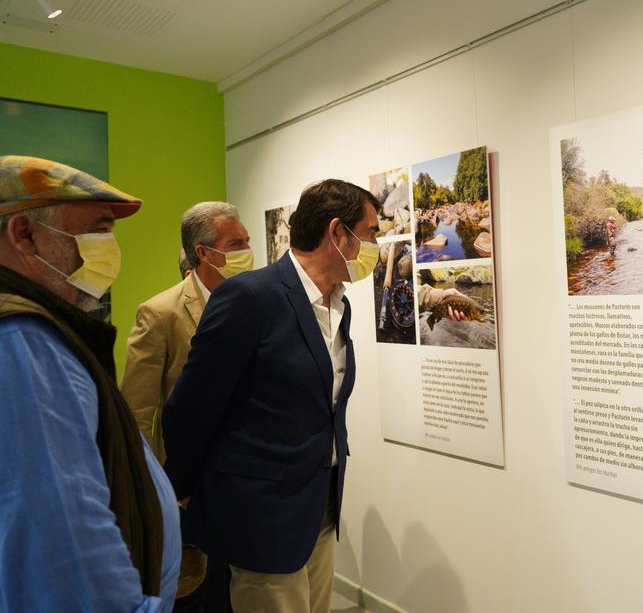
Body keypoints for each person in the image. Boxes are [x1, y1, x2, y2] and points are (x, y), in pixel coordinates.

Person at [163, 179, 380, 613]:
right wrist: (182, 488)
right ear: (337, 233)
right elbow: (192, 404)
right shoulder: (249, 297)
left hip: (319, 500)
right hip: (261, 511)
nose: (375, 244)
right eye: (371, 232)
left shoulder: (340, 303)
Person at [0, 155, 180, 611]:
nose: (109, 249)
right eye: (97, 230)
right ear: (23, 234)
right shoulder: (23, 344)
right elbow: (63, 538)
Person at [121, 202, 252, 612]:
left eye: (247, 240)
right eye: (237, 243)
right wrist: (158, 489)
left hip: (250, 479)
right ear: (203, 253)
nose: (248, 250)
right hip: (190, 488)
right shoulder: (160, 313)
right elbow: (137, 414)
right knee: (197, 594)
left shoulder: (258, 304)